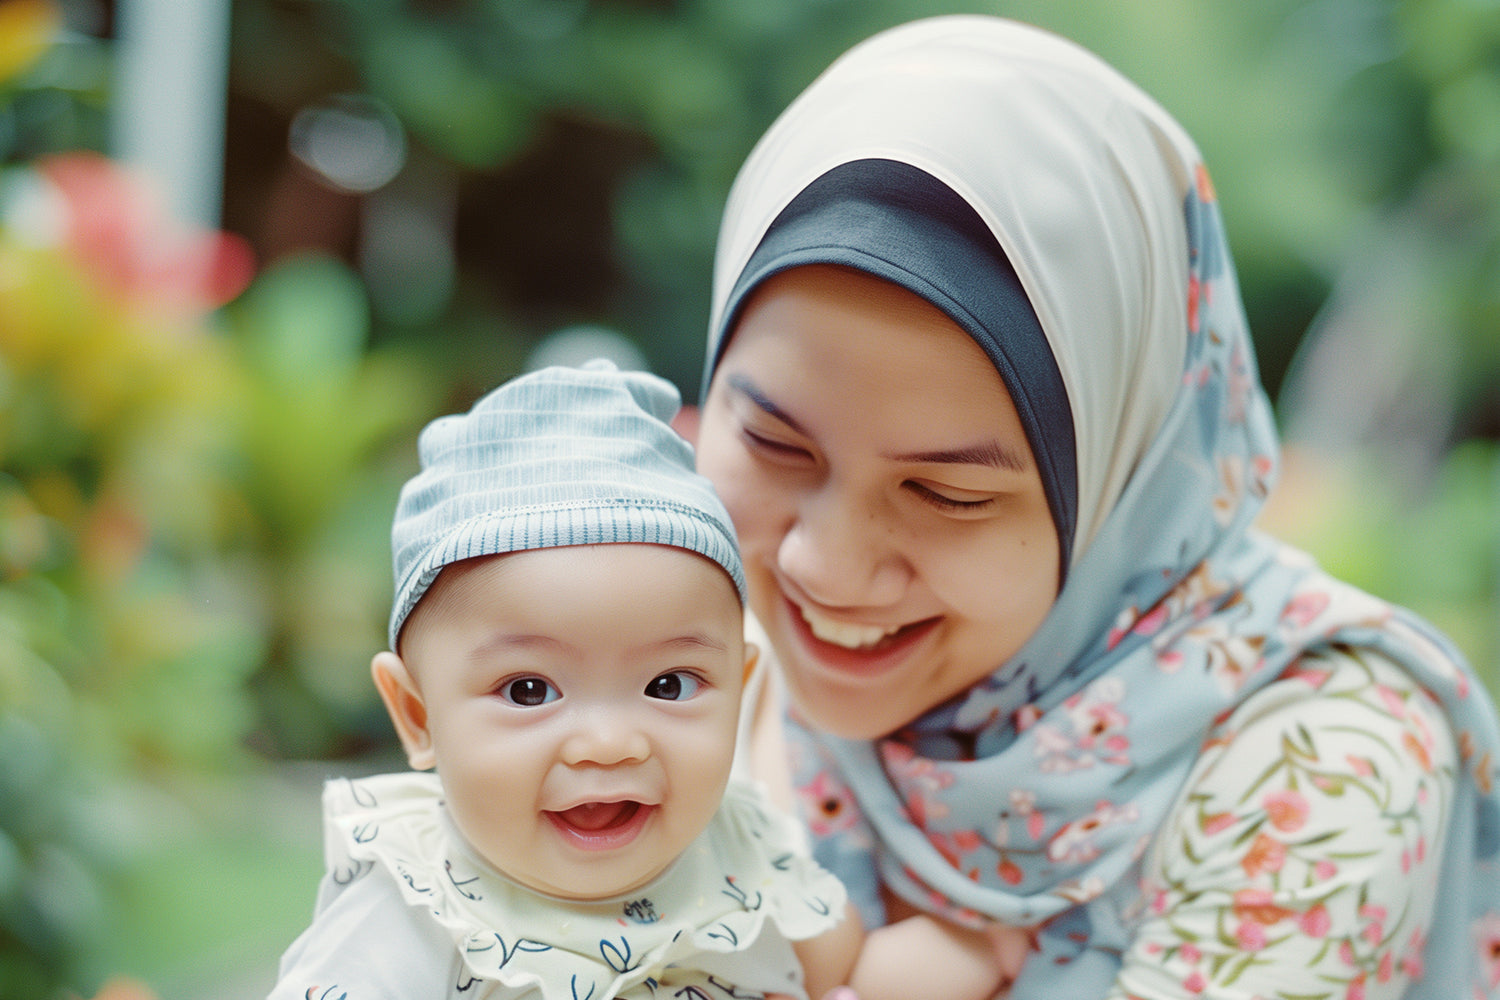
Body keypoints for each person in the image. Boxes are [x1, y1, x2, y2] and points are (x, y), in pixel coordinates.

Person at [691, 15, 1500, 1000]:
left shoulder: (1320, 753)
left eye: (948, 493)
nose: (825, 567)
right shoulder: (674, 668)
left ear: (1121, 477)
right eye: (774, 444)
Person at [267, 360, 1018, 1000]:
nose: (609, 743)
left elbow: (852, 968)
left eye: (669, 685)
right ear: (416, 715)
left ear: (743, 684)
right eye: (529, 690)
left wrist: (987, 952)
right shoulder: (413, 911)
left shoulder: (741, 858)